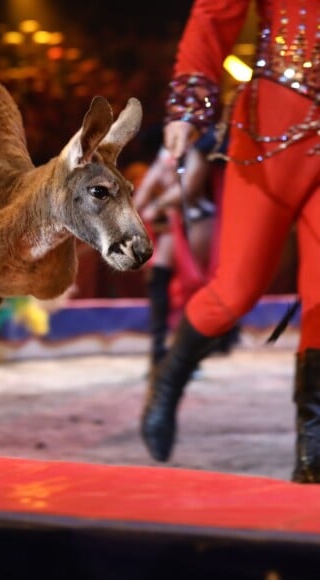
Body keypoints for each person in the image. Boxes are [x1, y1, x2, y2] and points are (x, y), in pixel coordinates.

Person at [140, 0, 320, 483]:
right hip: (272, 133)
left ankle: (313, 458)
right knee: (235, 292)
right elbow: (213, 16)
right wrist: (187, 108)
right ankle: (169, 379)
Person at [133, 126, 228, 371]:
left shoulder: (199, 148)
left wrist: (156, 204)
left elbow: (189, 187)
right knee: (158, 278)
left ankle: (189, 354)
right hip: (174, 224)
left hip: (198, 221)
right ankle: (158, 351)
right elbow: (149, 184)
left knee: (192, 286)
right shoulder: (167, 153)